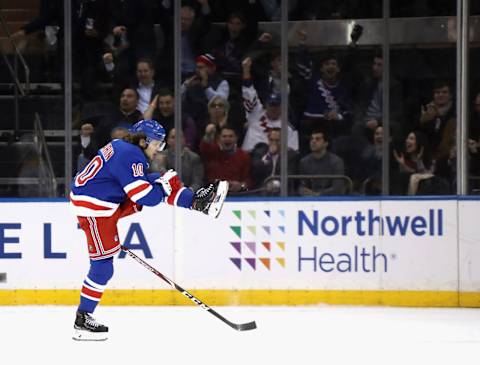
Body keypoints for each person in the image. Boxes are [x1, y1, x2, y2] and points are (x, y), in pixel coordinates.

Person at [70, 119, 228, 341]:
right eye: (157, 144)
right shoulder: (130, 154)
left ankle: (198, 203)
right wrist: (162, 188)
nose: (159, 150)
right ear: (143, 141)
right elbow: (145, 198)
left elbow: (142, 190)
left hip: (104, 199)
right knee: (103, 266)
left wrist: (162, 186)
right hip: (96, 209)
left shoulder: (123, 147)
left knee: (160, 180)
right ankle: (82, 319)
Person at [298, 130, 345, 196]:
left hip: (330, 200)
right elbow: (303, 185)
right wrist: (303, 190)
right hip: (310, 200)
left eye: (318, 139)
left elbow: (338, 188)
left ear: (326, 143)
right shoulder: (304, 162)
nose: (313, 141)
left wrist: (318, 194)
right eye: (312, 139)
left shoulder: (336, 162)